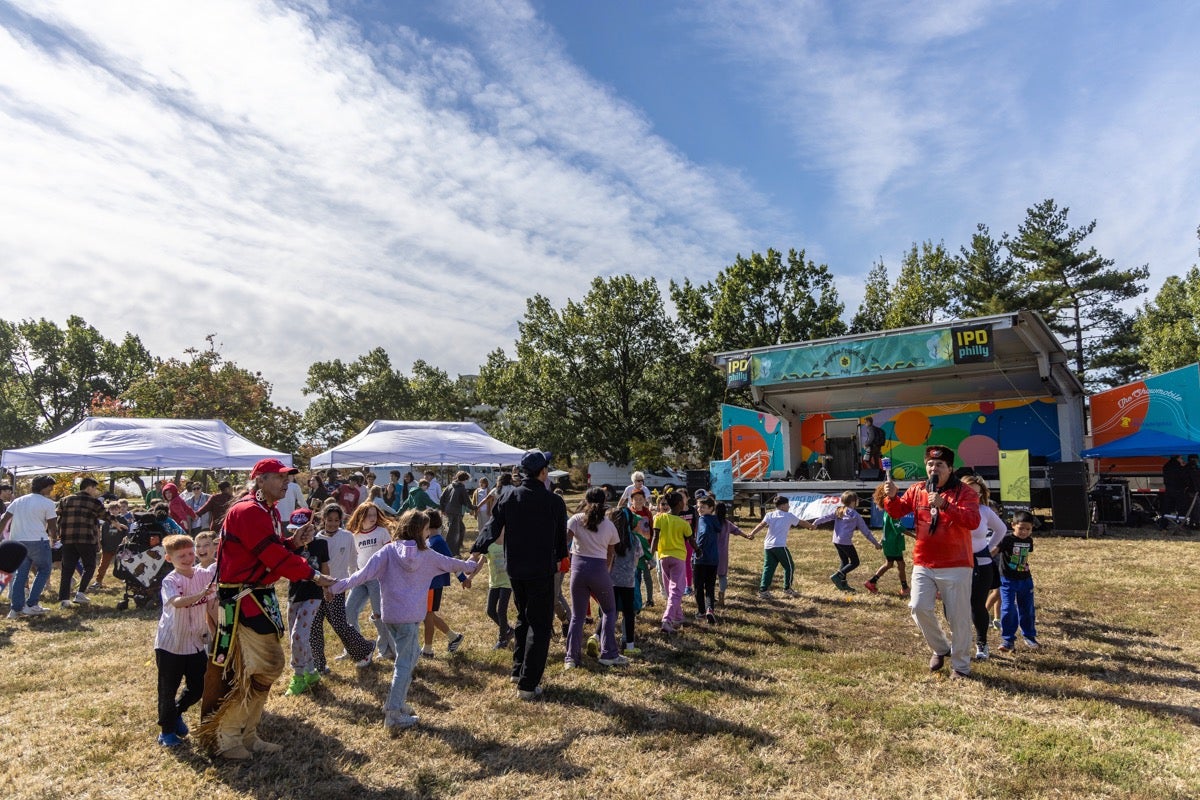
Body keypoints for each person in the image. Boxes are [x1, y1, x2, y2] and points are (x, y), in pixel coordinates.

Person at [196, 458, 337, 761]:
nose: (286, 483)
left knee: (262, 669)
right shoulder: (248, 511)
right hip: (242, 600)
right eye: (279, 478)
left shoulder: (266, 510)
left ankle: (248, 734)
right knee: (258, 668)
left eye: (287, 478)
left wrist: (293, 543)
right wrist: (312, 574)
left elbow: (268, 549)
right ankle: (225, 737)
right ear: (260, 480)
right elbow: (270, 555)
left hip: (258, 596)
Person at [328, 509, 479, 733]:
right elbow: (453, 564)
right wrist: (472, 564)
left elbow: (361, 575)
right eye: (427, 529)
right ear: (420, 531)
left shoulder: (387, 551)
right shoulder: (428, 555)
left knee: (410, 656)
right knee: (404, 665)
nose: (429, 533)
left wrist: (336, 586)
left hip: (390, 617)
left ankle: (396, 702)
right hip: (410, 620)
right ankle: (393, 714)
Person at [471, 449, 568, 701]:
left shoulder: (507, 495)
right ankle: (528, 683)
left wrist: (476, 550)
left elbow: (492, 526)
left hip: (515, 569)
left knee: (523, 617)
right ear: (543, 472)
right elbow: (560, 538)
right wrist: (561, 559)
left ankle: (517, 670)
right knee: (540, 624)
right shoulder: (553, 501)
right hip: (541, 570)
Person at [881, 445, 981, 679]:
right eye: (930, 464)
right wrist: (892, 495)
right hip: (924, 561)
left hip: (956, 563)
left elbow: (973, 521)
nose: (933, 468)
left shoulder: (966, 492)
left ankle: (961, 666)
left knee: (958, 617)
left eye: (939, 465)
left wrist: (945, 505)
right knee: (917, 607)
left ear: (950, 468)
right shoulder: (917, 489)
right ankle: (941, 648)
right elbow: (897, 511)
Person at [153, 534, 217, 746]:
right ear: (169, 558)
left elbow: (222, 567)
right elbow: (178, 602)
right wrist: (201, 594)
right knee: (167, 689)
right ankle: (167, 731)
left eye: (191, 553)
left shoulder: (204, 574)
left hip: (196, 643)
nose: (189, 558)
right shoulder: (170, 580)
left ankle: (176, 713)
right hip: (170, 645)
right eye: (181, 555)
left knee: (198, 687)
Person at [310, 504, 376, 671]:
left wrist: (353, 579)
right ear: (323, 519)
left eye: (336, 520)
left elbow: (353, 558)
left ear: (340, 521)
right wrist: (323, 588)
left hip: (337, 587)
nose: (332, 523)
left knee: (340, 624)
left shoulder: (346, 536)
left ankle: (365, 649)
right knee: (315, 627)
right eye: (329, 520)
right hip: (318, 588)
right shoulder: (317, 539)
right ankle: (319, 665)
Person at [565, 488, 626, 668]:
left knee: (577, 616)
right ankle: (608, 653)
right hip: (599, 568)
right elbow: (610, 553)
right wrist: (604, 571)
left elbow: (564, 541)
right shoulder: (609, 525)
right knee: (609, 611)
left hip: (578, 568)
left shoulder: (576, 520)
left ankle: (571, 658)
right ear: (605, 501)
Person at [961, 475, 1007, 660]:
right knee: (954, 606)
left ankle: (982, 644)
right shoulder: (951, 508)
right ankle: (959, 642)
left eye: (977, 493)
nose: (973, 496)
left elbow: (1001, 529)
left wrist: (988, 549)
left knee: (977, 605)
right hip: (956, 564)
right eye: (969, 491)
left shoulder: (985, 511)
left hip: (981, 565)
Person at [1, 475, 59, 617]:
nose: (51, 490)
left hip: (17, 542)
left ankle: (15, 609)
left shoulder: (18, 501)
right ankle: (32, 604)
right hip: (38, 540)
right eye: (50, 487)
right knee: (44, 570)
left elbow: (4, 519)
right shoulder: (48, 503)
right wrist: (54, 538)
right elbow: (52, 525)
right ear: (44, 487)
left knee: (21, 574)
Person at [283, 515, 328, 696]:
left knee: (298, 636)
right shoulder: (290, 548)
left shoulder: (321, 544)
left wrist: (327, 587)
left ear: (313, 528)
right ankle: (311, 672)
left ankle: (298, 676)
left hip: (313, 594)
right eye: (295, 530)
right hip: (294, 595)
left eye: (303, 530)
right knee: (295, 638)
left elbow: (325, 566)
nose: (299, 534)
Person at [344, 503, 396, 660]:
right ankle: (356, 647)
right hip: (361, 579)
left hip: (377, 579)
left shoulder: (382, 532)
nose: (373, 518)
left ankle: (386, 649)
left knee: (379, 615)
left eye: (375, 515)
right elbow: (352, 559)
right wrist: (352, 576)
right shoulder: (354, 535)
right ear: (360, 516)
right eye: (369, 515)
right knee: (349, 611)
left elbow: (389, 556)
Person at [56, 476, 113, 608]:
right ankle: (80, 593)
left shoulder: (65, 500)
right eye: (95, 489)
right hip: (86, 538)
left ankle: (64, 599)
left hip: (68, 539)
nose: (95, 492)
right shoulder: (94, 502)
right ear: (89, 487)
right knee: (89, 566)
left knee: (67, 569)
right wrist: (115, 522)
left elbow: (58, 517)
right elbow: (105, 515)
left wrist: (57, 534)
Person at [808, 490, 881, 593]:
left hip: (836, 541)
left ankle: (842, 584)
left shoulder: (839, 510)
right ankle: (837, 576)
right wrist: (876, 543)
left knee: (845, 561)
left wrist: (816, 522)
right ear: (853, 502)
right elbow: (866, 531)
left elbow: (826, 517)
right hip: (845, 542)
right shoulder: (855, 515)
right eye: (857, 500)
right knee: (855, 562)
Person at [421, 510, 469, 657]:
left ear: (428, 524)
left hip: (433, 585)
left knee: (427, 616)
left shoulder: (439, 542)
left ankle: (427, 650)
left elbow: (451, 562)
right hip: (427, 584)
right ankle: (454, 637)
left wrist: (463, 579)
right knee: (426, 614)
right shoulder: (429, 540)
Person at [993, 510, 1039, 652]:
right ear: (1013, 525)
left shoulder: (1029, 541)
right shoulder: (1006, 539)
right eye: (1021, 528)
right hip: (1007, 579)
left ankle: (1029, 636)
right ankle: (1008, 640)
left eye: (1028, 529)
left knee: (1027, 609)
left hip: (1025, 580)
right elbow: (994, 551)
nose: (1024, 532)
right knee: (1008, 608)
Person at [650, 490, 692, 634]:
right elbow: (691, 541)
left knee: (671, 590)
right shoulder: (684, 523)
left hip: (663, 558)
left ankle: (678, 617)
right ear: (680, 504)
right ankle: (667, 620)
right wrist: (699, 551)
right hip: (678, 559)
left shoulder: (659, 518)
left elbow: (655, 538)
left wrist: (651, 556)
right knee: (677, 590)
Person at [748, 495, 803, 598]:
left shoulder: (770, 514)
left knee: (768, 568)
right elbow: (801, 522)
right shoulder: (789, 515)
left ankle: (763, 590)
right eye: (787, 505)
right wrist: (812, 526)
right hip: (780, 546)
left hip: (768, 546)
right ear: (782, 506)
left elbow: (761, 525)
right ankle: (787, 588)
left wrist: (752, 533)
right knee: (789, 566)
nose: (789, 507)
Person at [605, 507, 642, 654]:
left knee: (610, 612)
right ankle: (630, 645)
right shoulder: (635, 539)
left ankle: (605, 641)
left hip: (611, 580)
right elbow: (637, 558)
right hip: (628, 581)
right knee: (628, 613)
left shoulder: (610, 539)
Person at [864, 485, 910, 596]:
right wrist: (915, 536)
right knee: (901, 565)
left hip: (889, 542)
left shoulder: (887, 511)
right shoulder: (892, 512)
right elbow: (898, 527)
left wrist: (881, 540)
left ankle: (872, 582)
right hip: (893, 543)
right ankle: (905, 588)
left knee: (889, 564)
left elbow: (886, 528)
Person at [715, 501, 751, 607]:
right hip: (723, 554)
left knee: (710, 576)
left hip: (710, 553)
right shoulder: (726, 523)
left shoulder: (711, 522)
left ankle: (710, 596)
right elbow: (737, 531)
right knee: (722, 575)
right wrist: (747, 536)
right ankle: (722, 593)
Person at [482, 527, 513, 649]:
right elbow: (480, 563)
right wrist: (470, 576)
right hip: (494, 583)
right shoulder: (489, 545)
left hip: (507, 583)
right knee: (490, 611)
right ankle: (508, 630)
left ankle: (502, 640)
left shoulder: (510, 543)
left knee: (501, 611)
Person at [692, 496, 721, 624]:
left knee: (698, 587)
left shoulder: (703, 519)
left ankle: (701, 611)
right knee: (710, 587)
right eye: (698, 507)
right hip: (713, 559)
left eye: (703, 507)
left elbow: (703, 534)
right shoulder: (715, 520)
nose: (700, 509)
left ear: (711, 508)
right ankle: (710, 609)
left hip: (701, 559)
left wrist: (697, 549)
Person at [625, 489, 655, 608]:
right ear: (631, 501)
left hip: (646, 547)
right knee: (636, 577)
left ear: (644, 500)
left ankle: (650, 599)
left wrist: (652, 545)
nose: (638, 501)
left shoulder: (647, 512)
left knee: (647, 576)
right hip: (634, 551)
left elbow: (652, 528)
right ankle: (636, 599)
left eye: (641, 499)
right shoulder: (629, 513)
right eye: (635, 499)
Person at [91, 500, 129, 591]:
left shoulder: (123, 519)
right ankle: (98, 581)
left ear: (119, 510)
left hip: (119, 547)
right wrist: (100, 543)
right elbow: (101, 533)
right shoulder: (106, 521)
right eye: (111, 510)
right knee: (103, 565)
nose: (114, 511)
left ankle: (128, 580)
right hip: (107, 546)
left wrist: (125, 541)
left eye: (116, 509)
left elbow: (127, 531)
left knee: (124, 564)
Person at [439, 471, 474, 556]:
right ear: (465, 479)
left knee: (461, 529)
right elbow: (467, 502)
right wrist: (475, 507)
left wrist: (443, 509)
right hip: (455, 512)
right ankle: (452, 552)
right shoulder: (461, 487)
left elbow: (441, 498)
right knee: (453, 533)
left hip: (448, 511)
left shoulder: (450, 485)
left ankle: (457, 547)